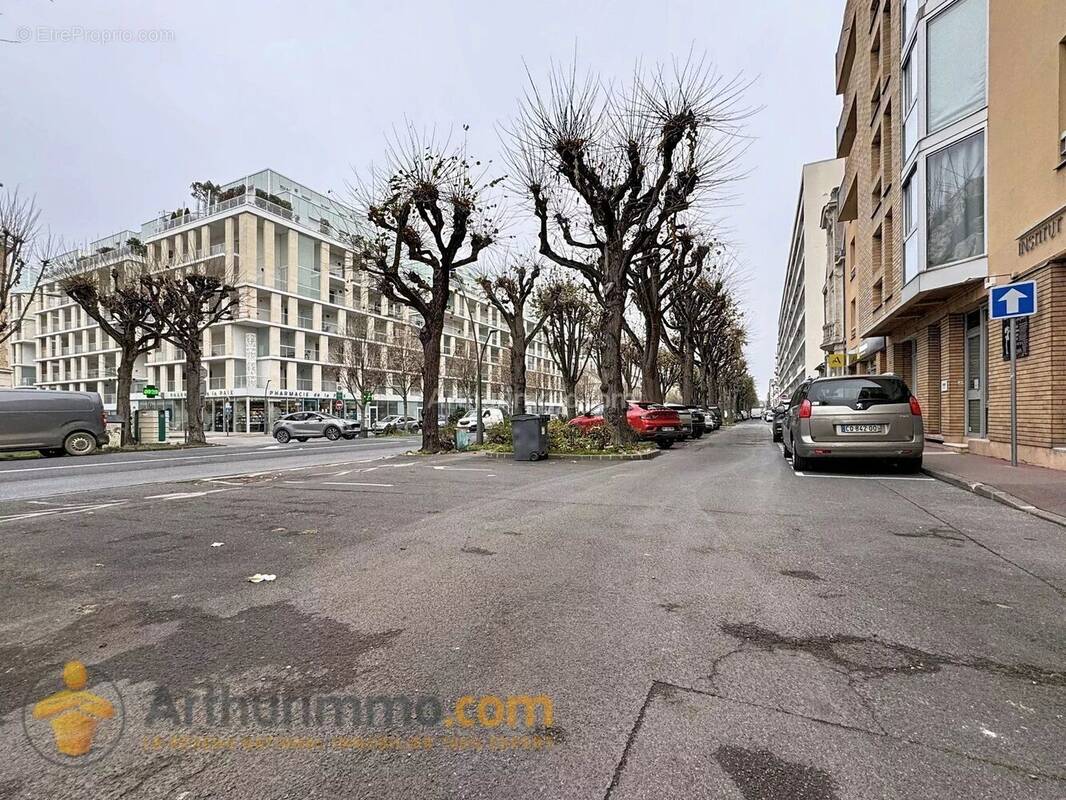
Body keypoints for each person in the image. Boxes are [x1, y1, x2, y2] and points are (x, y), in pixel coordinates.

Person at [32, 661, 115, 757]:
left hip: (70, 746)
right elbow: (109, 711)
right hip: (79, 746)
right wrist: (71, 703)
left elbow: (38, 711)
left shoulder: (64, 697)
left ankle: (73, 744)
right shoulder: (86, 697)